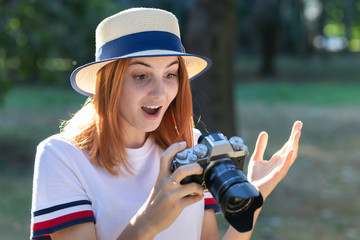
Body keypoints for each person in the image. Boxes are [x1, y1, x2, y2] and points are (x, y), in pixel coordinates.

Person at [30, 7, 302, 240]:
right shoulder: (62, 157)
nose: (160, 93)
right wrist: (149, 220)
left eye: (170, 74)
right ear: (107, 84)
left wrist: (253, 200)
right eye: (140, 76)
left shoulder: (190, 145)